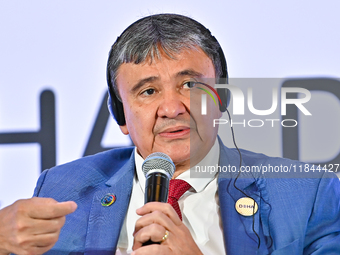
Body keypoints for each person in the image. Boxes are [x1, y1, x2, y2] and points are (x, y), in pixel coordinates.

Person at [1, 13, 340, 255]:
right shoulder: (63, 190)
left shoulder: (308, 194)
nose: (172, 107)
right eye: (147, 92)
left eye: (190, 85)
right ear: (121, 115)